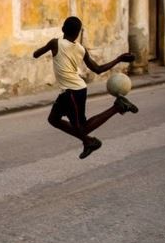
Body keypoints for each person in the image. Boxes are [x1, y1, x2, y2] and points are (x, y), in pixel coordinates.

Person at [33, 16, 138, 160]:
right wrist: (119, 59)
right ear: (78, 34)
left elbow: (35, 54)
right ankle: (88, 141)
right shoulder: (81, 49)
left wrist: (45, 50)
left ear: (63, 29)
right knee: (53, 119)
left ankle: (117, 108)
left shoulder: (55, 43)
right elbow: (98, 69)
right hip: (73, 90)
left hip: (73, 92)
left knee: (82, 128)